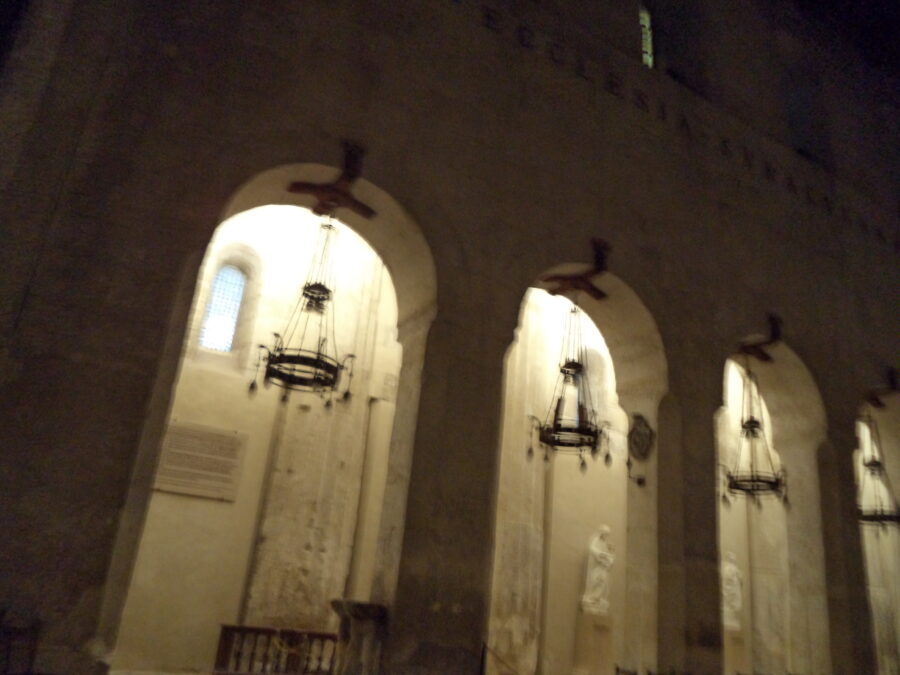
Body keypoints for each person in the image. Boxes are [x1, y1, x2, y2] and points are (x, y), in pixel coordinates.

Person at [581, 525, 614, 614]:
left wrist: (608, 558)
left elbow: (609, 553)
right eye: (605, 534)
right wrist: (600, 554)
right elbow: (592, 548)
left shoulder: (604, 543)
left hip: (603, 566)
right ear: (602, 533)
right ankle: (591, 598)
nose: (606, 536)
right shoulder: (596, 540)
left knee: (602, 582)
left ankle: (597, 598)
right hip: (596, 566)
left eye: (607, 535)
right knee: (595, 580)